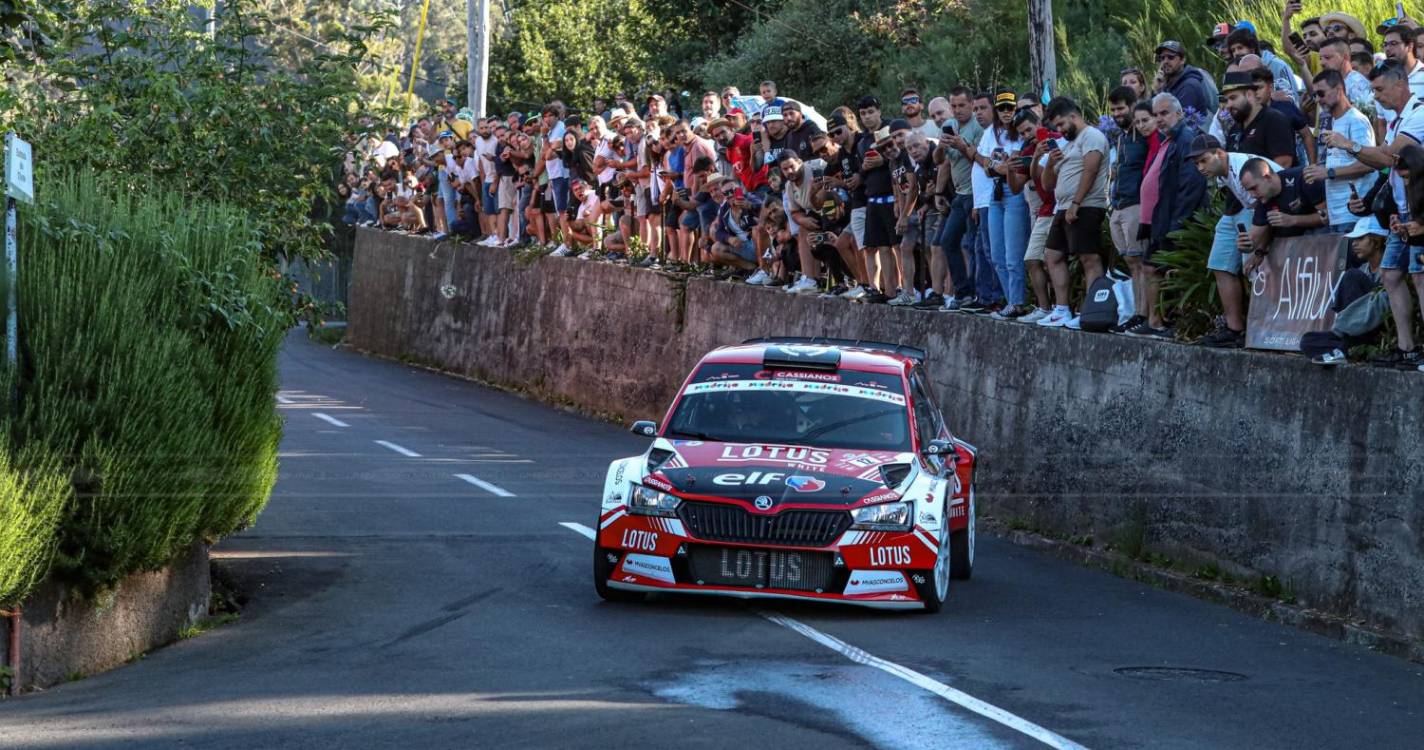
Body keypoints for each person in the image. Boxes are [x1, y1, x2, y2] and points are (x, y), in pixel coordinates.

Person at [1325, 60, 1424, 369]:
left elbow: (1390, 157)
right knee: (1391, 275)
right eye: (1372, 90)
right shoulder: (1397, 119)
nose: (1376, 97)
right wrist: (1390, 210)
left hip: (1419, 212)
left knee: (1420, 278)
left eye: (1379, 89)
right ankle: (1406, 348)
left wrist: (1349, 145)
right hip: (1401, 212)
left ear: (1400, 84)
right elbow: (1386, 167)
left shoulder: (1419, 115)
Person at [1037, 97, 1110, 329]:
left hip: (1086, 206)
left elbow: (1091, 168)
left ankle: (1091, 311)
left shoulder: (1092, 136)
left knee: (1089, 257)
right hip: (1063, 207)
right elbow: (1047, 185)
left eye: (1061, 125)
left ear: (1073, 116)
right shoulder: (1068, 144)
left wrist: (1076, 203)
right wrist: (1049, 164)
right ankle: (1061, 310)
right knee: (1051, 255)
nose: (1059, 130)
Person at [934, 86, 989, 311]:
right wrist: (941, 146)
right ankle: (963, 291)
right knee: (948, 242)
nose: (957, 110)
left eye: (962, 105)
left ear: (970, 104)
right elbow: (940, 161)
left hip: (976, 194)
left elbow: (981, 159)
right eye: (953, 106)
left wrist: (962, 146)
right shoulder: (950, 127)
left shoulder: (978, 128)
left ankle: (980, 295)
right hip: (959, 194)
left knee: (976, 247)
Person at [1303, 70, 1375, 233]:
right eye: (1315, 95)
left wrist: (1328, 172)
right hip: (1337, 215)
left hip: (1354, 216)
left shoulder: (1356, 120)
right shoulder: (1335, 121)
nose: (1318, 100)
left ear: (1339, 90)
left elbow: (1368, 165)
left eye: (1321, 93)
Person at [1107, 86, 1150, 332]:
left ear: (1133, 106)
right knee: (1131, 262)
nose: (1116, 113)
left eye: (1121, 108)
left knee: (1141, 262)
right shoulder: (1122, 137)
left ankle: (1143, 315)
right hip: (1119, 205)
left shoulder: (1143, 136)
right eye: (1113, 109)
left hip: (1136, 204)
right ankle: (1136, 313)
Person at [1240, 158, 1328, 269]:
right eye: (1248, 190)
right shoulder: (1263, 199)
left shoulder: (1303, 178)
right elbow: (1253, 239)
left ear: (1267, 177)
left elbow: (1327, 217)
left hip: (1320, 238)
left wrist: (1293, 220)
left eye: (1254, 188)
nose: (1252, 195)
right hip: (1291, 246)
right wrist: (1244, 244)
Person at [1154, 40, 1217, 116]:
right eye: (1162, 58)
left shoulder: (1189, 86)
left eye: (1171, 57)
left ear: (1182, 60)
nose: (1165, 61)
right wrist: (1158, 90)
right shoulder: (1168, 84)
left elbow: (1176, 121)